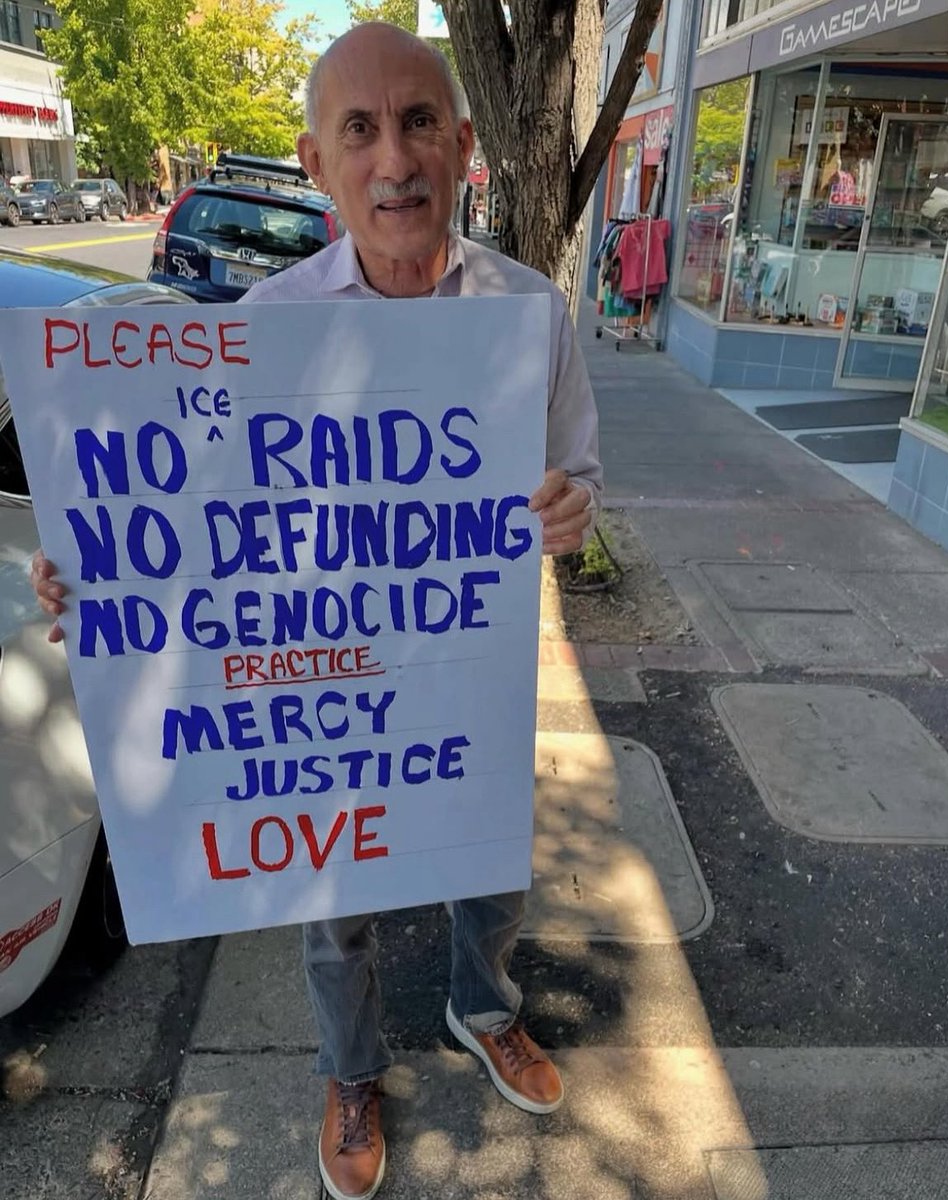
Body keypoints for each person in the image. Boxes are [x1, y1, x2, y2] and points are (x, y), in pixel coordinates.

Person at [32, 22, 602, 1200]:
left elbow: (578, 474)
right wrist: (93, 574)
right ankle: (349, 1069)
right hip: (319, 674)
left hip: (466, 652)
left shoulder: (528, 313)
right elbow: (180, 513)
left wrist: (566, 508)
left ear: (463, 144)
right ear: (318, 158)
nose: (394, 157)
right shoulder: (264, 328)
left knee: (485, 858)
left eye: (418, 121)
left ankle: (481, 1006)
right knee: (330, 891)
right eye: (360, 128)